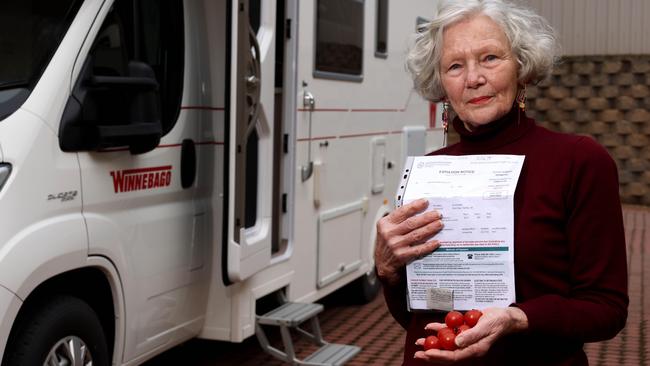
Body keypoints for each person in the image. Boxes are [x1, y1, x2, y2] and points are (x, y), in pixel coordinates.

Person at [374, 0, 628, 365]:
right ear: (441, 84)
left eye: (490, 58)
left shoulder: (579, 161)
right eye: (455, 65)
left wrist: (519, 317)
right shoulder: (429, 172)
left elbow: (606, 309)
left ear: (522, 68)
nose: (473, 78)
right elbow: (416, 317)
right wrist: (387, 269)